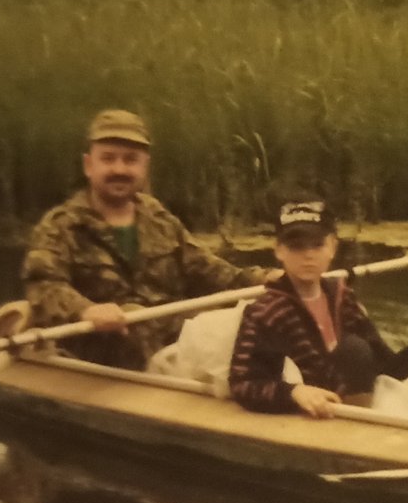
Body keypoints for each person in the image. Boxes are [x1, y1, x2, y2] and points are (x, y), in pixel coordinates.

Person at [22, 108, 273, 370]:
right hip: (101, 355)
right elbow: (43, 286)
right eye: (108, 159)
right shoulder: (61, 225)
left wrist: (262, 279)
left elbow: (208, 271)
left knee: (248, 325)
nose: (119, 169)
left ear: (144, 166)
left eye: (131, 160)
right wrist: (85, 310)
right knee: (132, 327)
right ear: (89, 165)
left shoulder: (160, 219)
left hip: (170, 349)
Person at [229, 195, 408, 418]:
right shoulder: (265, 312)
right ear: (279, 250)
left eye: (317, 244)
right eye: (296, 246)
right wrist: (293, 392)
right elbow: (243, 382)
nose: (308, 254)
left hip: (363, 384)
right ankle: (368, 428)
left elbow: (381, 356)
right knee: (354, 350)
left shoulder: (342, 294)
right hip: (326, 400)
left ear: (332, 247)